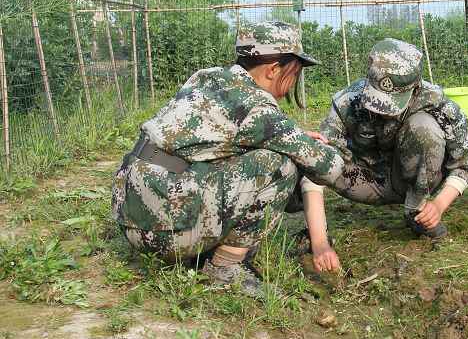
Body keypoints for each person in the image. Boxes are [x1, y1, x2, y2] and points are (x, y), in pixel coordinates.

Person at [112, 21, 345, 298]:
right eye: (294, 74)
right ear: (273, 70)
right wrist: (315, 147)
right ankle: (225, 267)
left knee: (258, 157)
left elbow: (214, 141)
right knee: (279, 166)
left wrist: (289, 137)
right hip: (164, 233)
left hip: (129, 213)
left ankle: (198, 244)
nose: (293, 83)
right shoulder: (258, 107)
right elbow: (330, 168)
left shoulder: (206, 77)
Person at [311, 38, 468, 240]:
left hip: (415, 182)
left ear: (415, 89)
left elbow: (467, 162)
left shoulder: (438, 106)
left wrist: (438, 205)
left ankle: (417, 211)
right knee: (310, 153)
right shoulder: (348, 101)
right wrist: (320, 242)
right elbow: (318, 159)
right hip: (365, 181)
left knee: (424, 127)